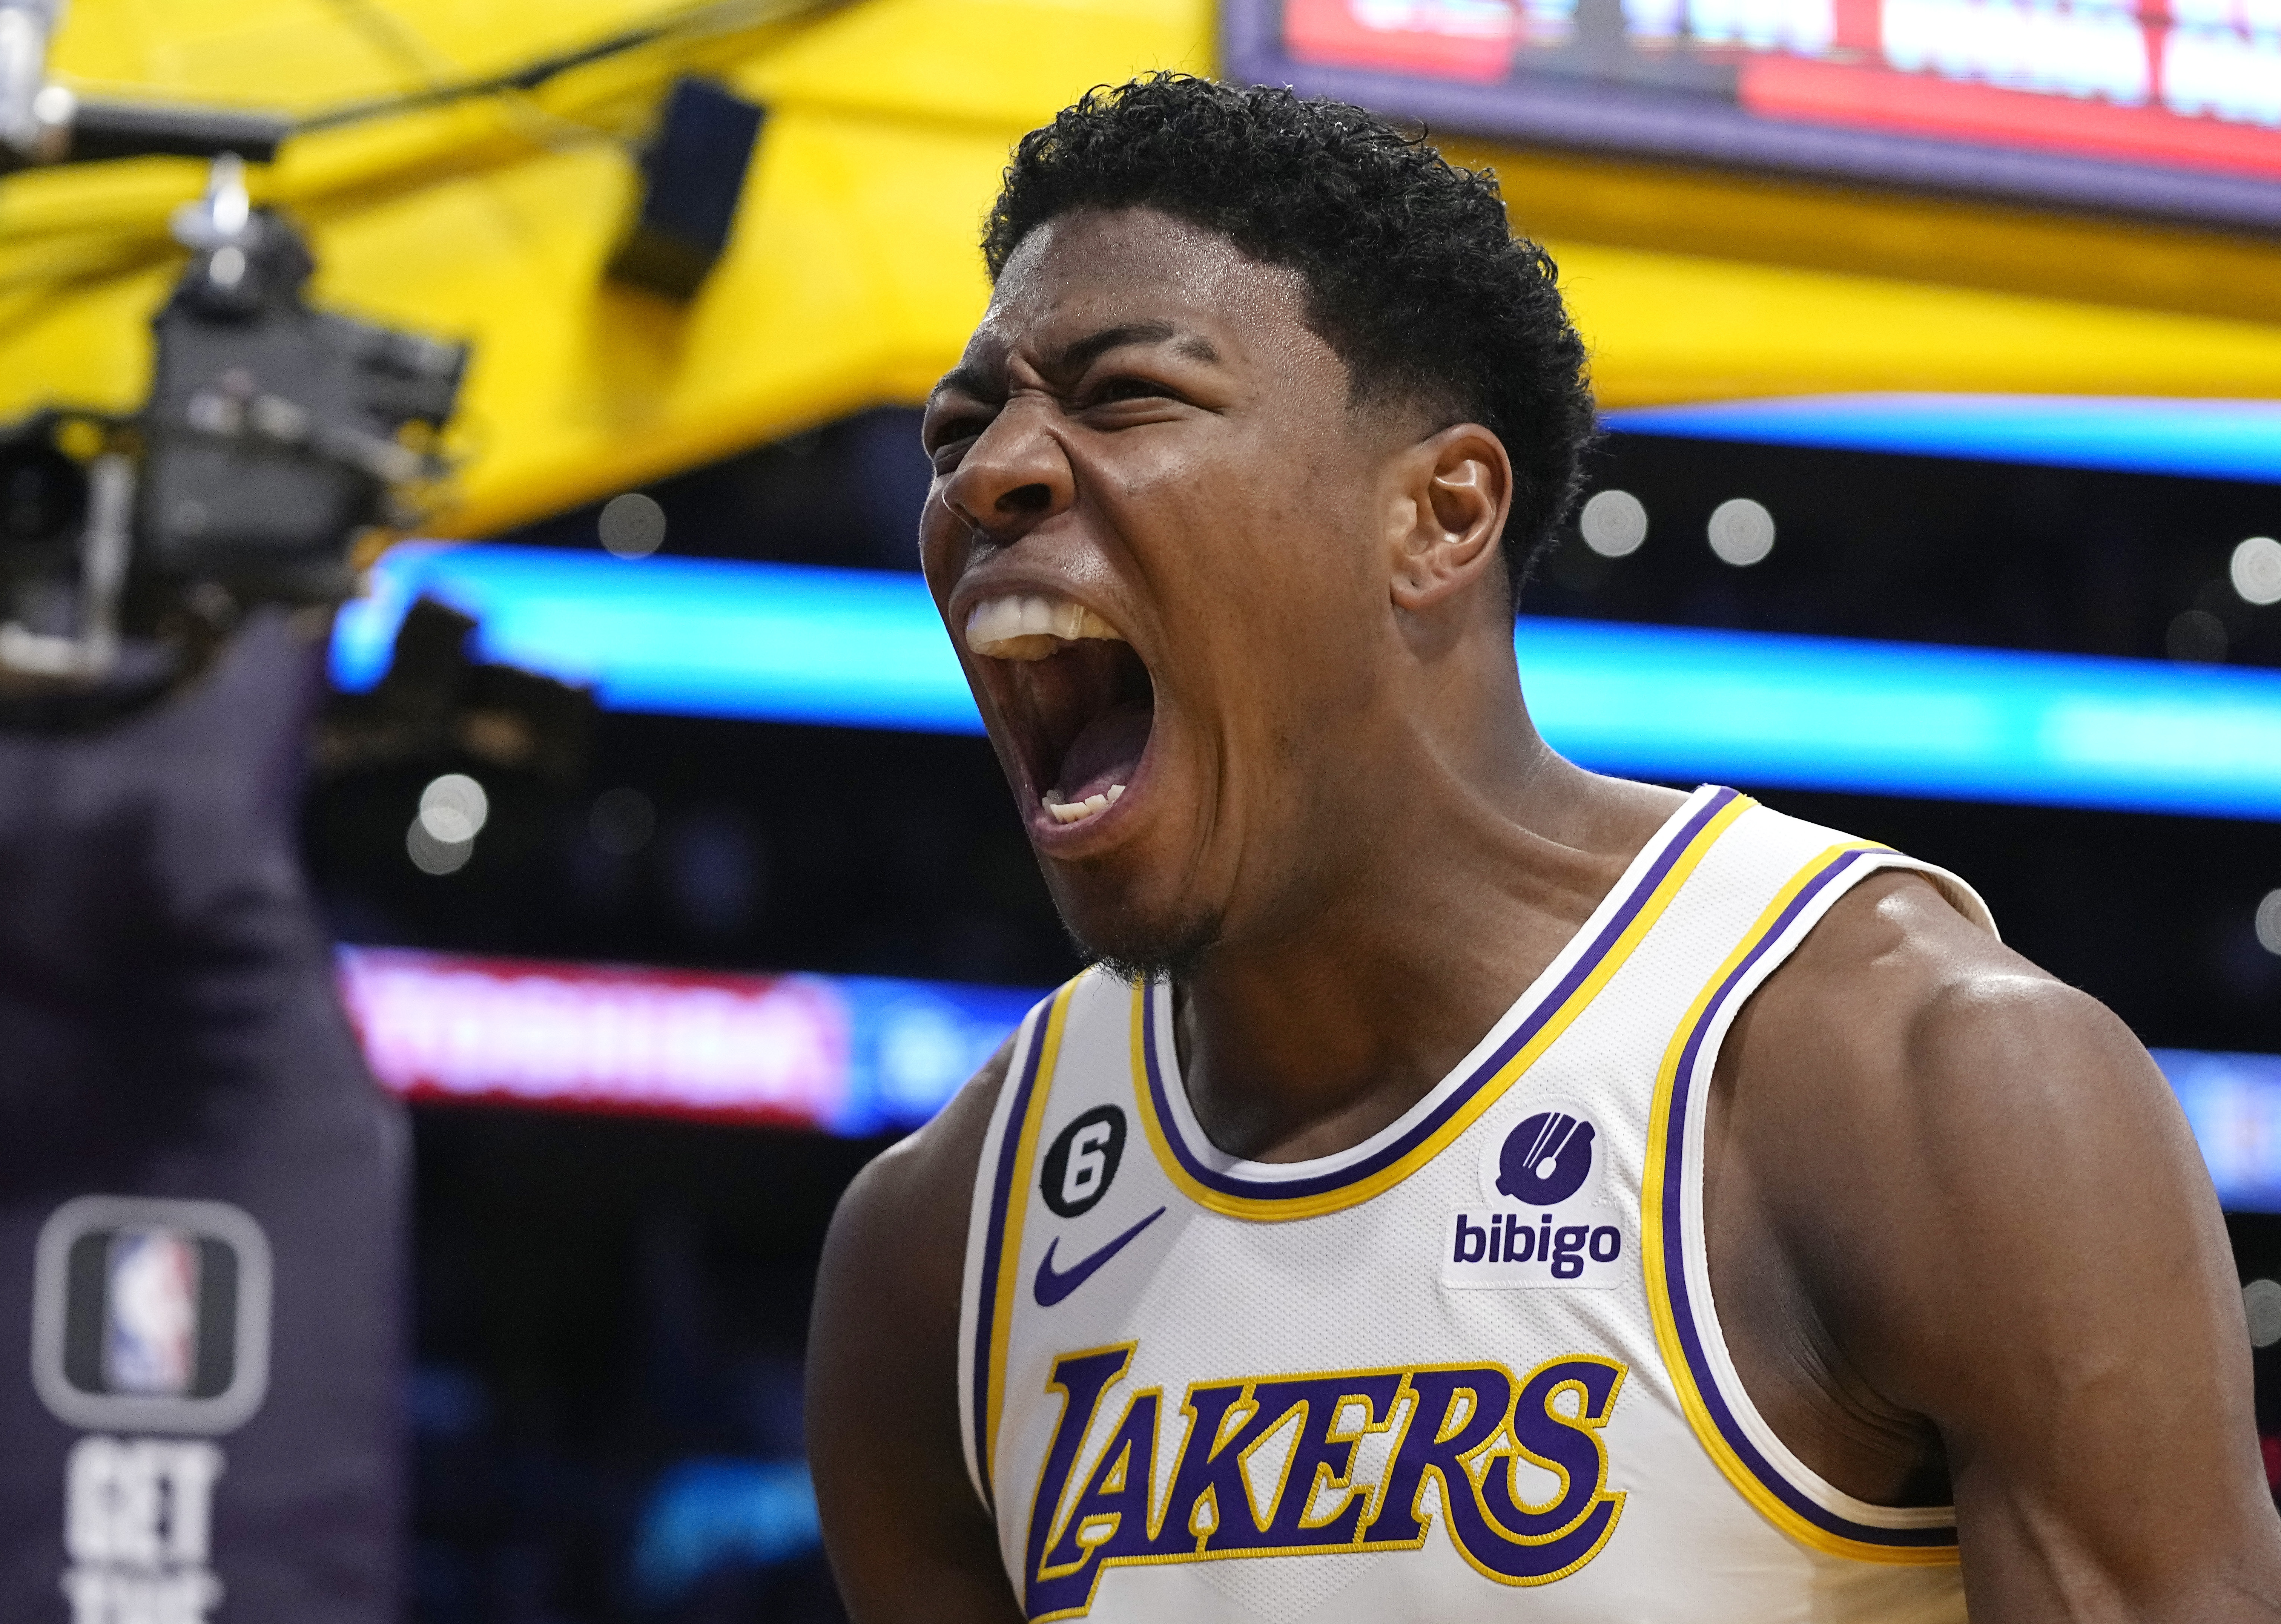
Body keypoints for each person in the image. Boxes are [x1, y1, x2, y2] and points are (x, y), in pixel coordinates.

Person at [804, 74, 2281, 1623]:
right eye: (959, 427)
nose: (986, 475)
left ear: (1438, 516)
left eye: (1125, 397)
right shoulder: (938, 1247)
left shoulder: (1909, 1085)